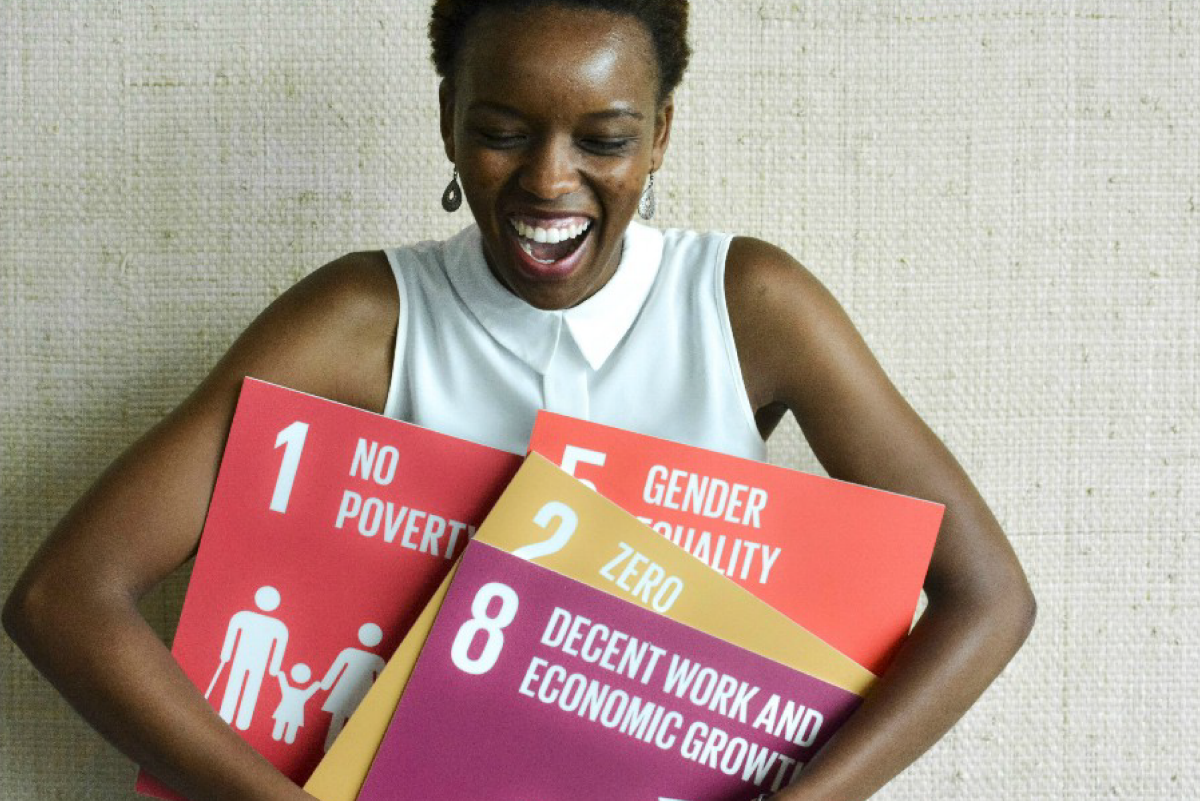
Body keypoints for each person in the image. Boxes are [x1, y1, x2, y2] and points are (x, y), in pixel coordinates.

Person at [2, 1, 1036, 800]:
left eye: (605, 139)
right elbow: (63, 599)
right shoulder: (365, 318)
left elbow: (988, 595)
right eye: (502, 129)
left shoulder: (748, 304)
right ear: (448, 121)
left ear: (661, 135)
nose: (549, 179)